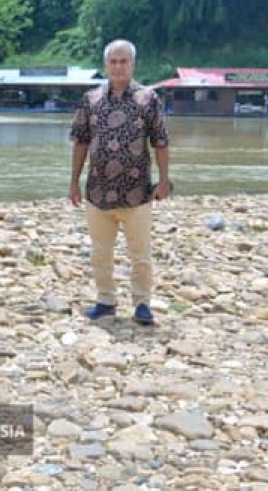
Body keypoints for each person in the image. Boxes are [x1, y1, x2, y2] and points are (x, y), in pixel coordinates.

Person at [69, 39, 170, 326]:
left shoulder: (149, 99)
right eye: (113, 62)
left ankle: (142, 303)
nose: (118, 66)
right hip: (97, 191)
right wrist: (73, 182)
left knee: (140, 253)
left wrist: (164, 181)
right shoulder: (91, 100)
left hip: (137, 192)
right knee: (100, 251)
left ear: (133, 65)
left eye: (123, 61)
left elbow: (161, 142)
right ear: (105, 65)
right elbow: (81, 142)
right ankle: (105, 300)